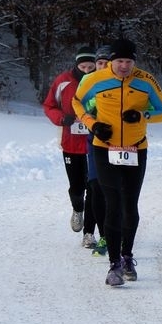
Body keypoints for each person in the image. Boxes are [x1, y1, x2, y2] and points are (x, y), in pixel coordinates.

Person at [72, 38, 162, 286]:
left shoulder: (146, 81)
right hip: (104, 148)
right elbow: (76, 102)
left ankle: (127, 256)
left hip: (135, 149)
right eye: (120, 61)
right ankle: (114, 264)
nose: (124, 66)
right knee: (113, 204)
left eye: (129, 61)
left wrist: (143, 114)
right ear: (111, 61)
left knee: (130, 205)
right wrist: (93, 124)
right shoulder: (96, 79)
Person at [43, 46, 97, 241]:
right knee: (76, 186)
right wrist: (61, 118)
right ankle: (77, 209)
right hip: (71, 143)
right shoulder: (63, 81)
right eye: (83, 67)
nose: (87, 70)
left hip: (95, 142)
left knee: (93, 187)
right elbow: (49, 105)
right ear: (76, 65)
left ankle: (89, 233)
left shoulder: (100, 81)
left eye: (90, 67)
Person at [83, 46, 113, 257]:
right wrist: (94, 104)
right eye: (100, 63)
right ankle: (103, 235)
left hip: (119, 143)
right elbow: (79, 106)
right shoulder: (89, 81)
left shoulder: (123, 82)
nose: (103, 66)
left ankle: (117, 232)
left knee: (116, 189)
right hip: (94, 139)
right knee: (95, 186)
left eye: (106, 63)